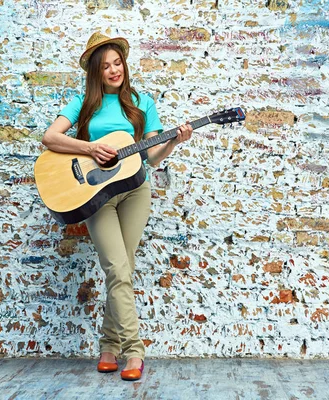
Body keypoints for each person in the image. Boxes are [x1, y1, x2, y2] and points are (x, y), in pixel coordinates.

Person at [41, 31, 193, 381]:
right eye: (106, 66)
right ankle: (134, 352)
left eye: (117, 62)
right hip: (95, 197)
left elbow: (152, 157)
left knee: (121, 270)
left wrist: (175, 141)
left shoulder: (143, 102)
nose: (114, 70)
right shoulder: (83, 103)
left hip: (136, 191)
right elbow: (50, 138)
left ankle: (109, 346)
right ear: (95, 72)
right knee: (117, 269)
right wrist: (90, 149)